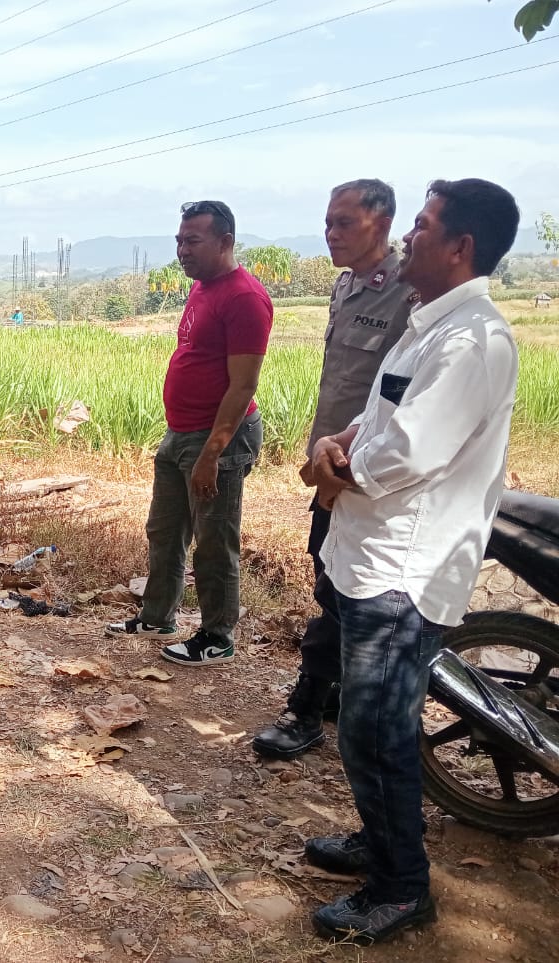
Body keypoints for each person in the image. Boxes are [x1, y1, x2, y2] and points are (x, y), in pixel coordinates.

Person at [305, 179, 520, 944]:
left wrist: (332, 468)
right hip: (370, 554)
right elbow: (378, 418)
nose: (407, 238)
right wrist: (337, 442)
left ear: (461, 247)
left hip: (404, 569)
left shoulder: (472, 342)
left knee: (376, 730)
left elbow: (405, 453)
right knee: (370, 724)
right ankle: (382, 840)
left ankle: (401, 888)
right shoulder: (427, 324)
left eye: (422, 226)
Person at [252, 180, 416, 760]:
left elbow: (401, 402)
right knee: (326, 574)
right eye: (328, 222)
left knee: (337, 590)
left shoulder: (409, 292)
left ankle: (306, 708)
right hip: (330, 464)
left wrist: (350, 461)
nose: (331, 233)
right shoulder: (345, 286)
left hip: (366, 472)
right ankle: (335, 694)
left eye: (344, 222)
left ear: (383, 223)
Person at [106, 200, 272, 666]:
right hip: (180, 432)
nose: (182, 250)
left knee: (214, 541)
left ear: (225, 241)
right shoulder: (202, 287)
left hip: (217, 438)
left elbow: (243, 386)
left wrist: (212, 453)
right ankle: (157, 616)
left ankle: (217, 636)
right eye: (179, 241)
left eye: (192, 241)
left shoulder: (245, 298)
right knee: (164, 530)